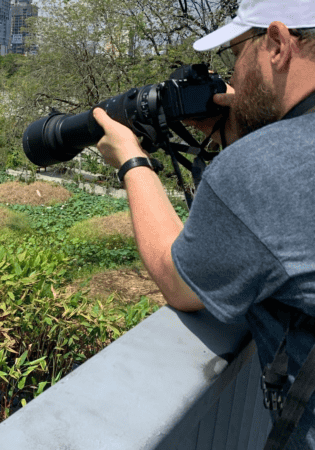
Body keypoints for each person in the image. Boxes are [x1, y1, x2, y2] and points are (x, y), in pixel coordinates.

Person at [91, 0, 315, 448]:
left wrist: (132, 160)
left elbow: (180, 284)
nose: (233, 74)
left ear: (275, 44)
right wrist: (240, 127)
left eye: (235, 53)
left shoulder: (265, 166)